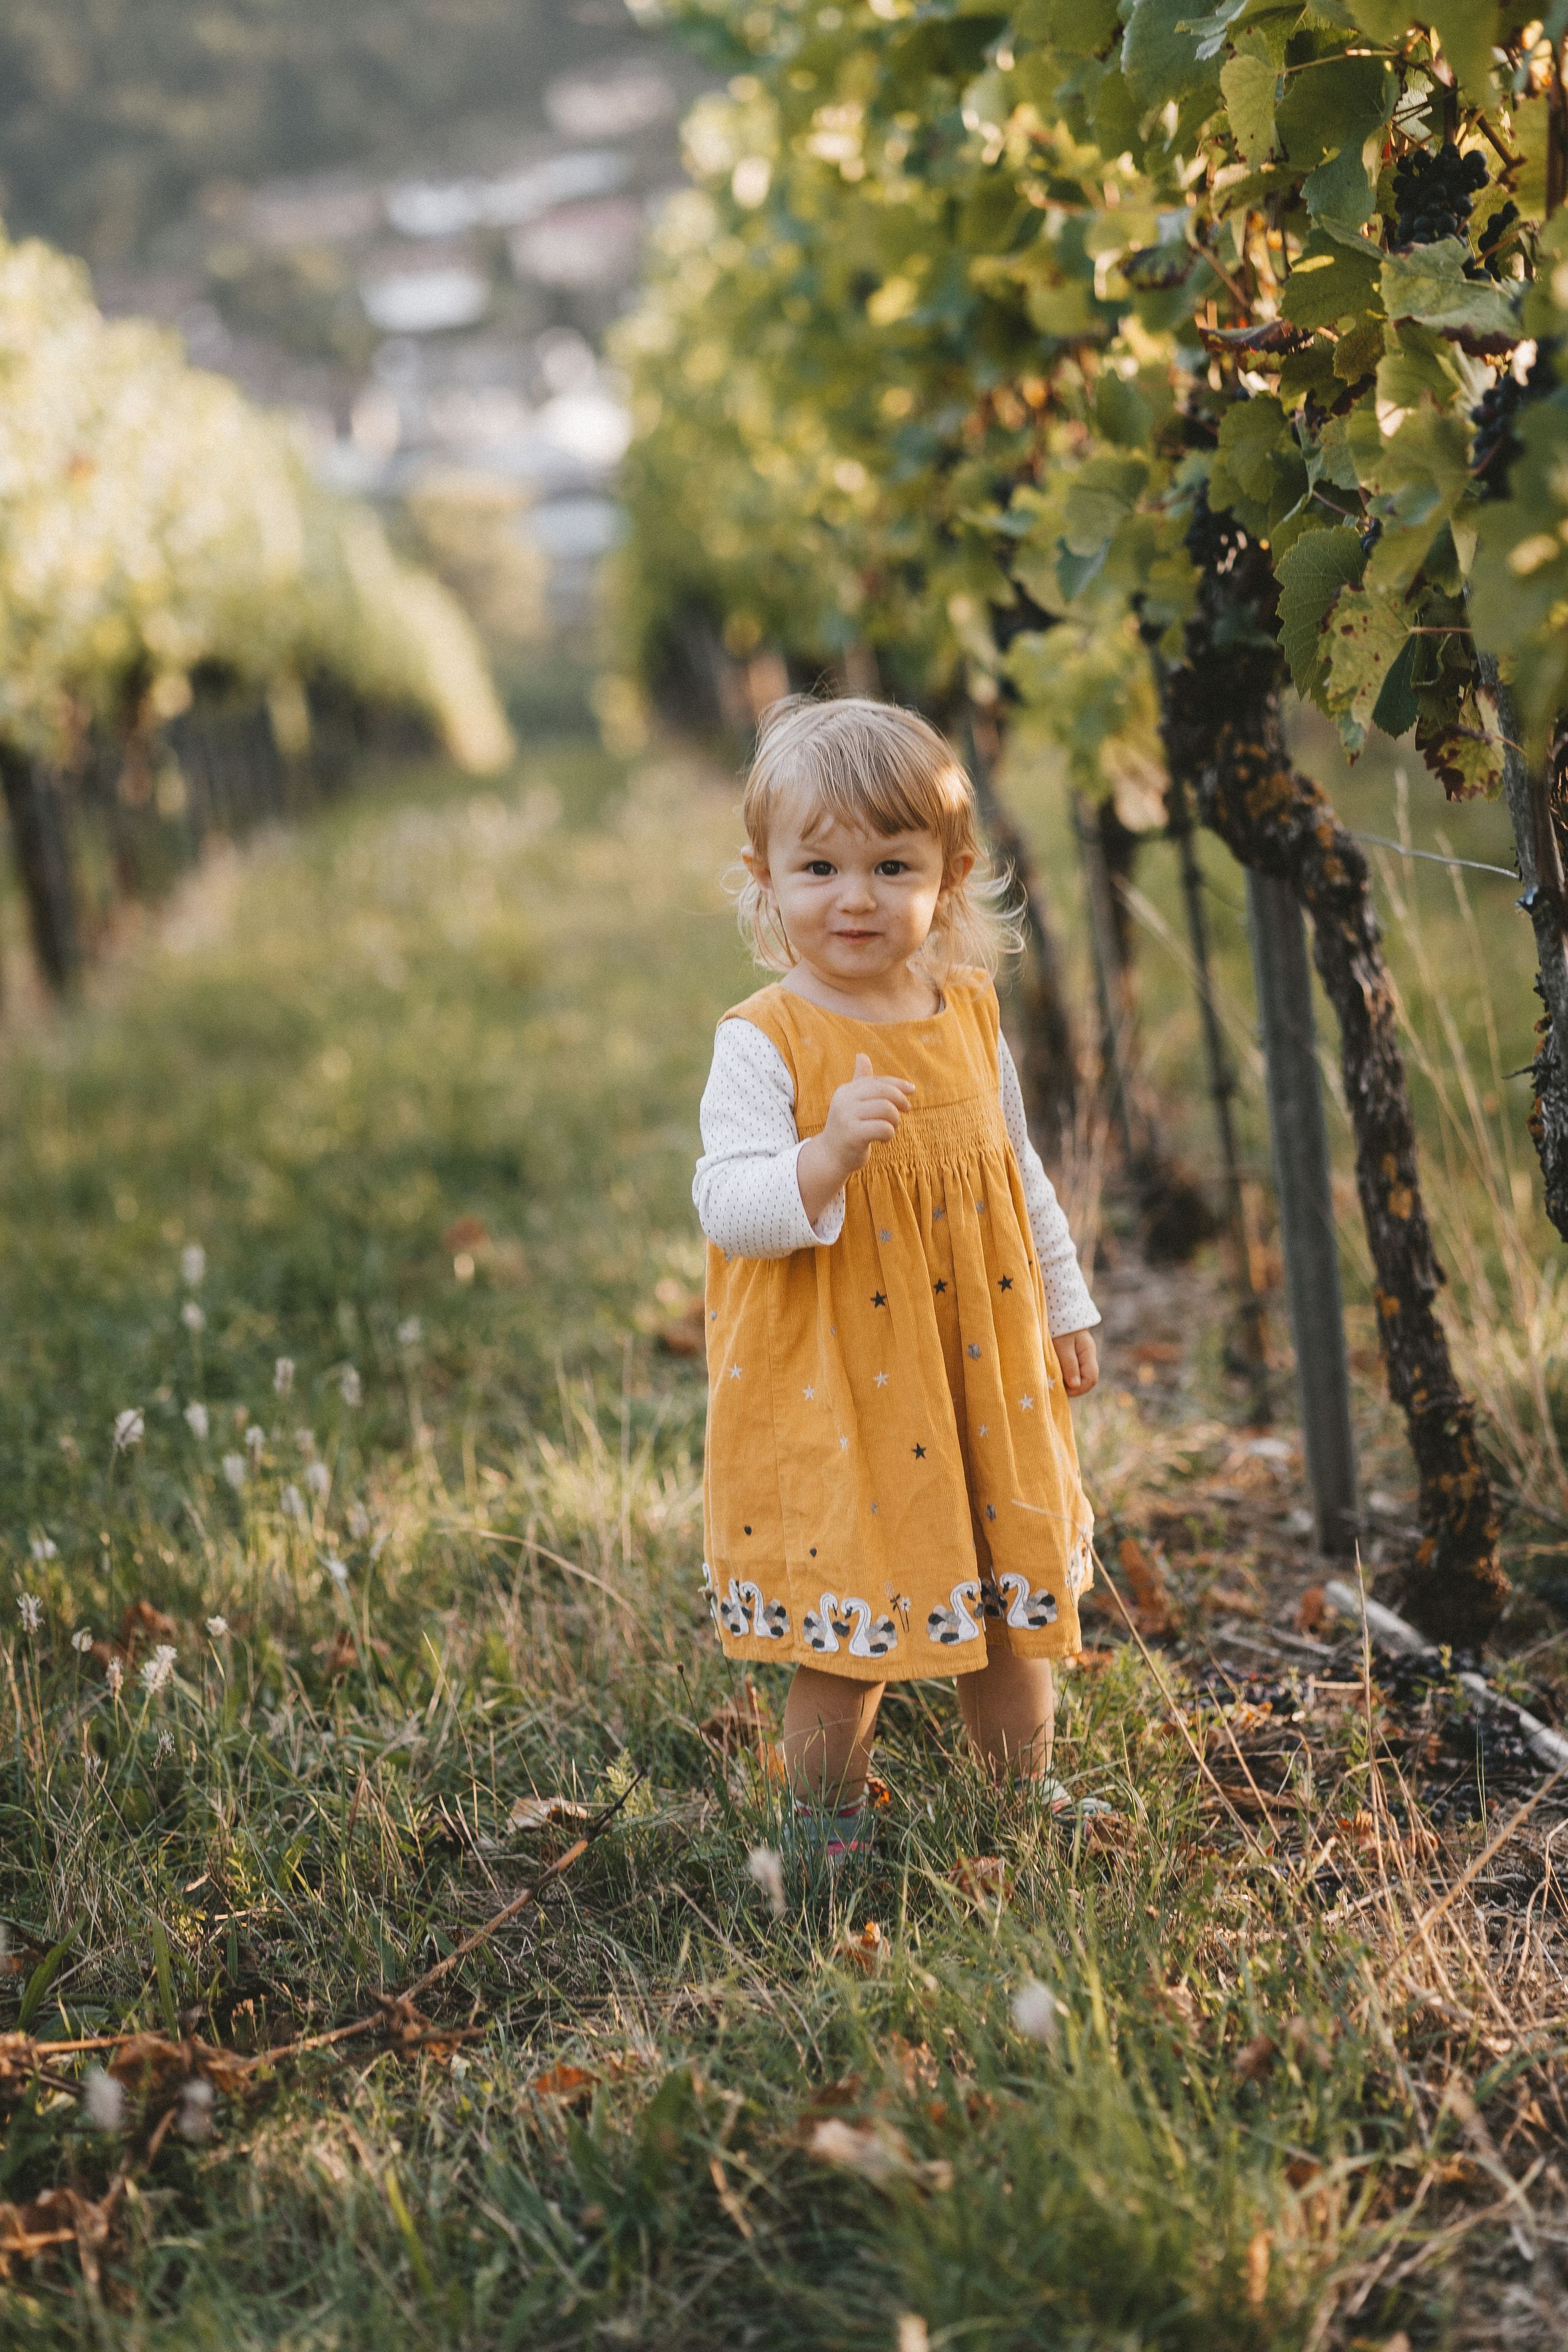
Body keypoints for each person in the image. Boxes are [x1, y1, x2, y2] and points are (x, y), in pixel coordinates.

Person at [693, 695, 1102, 1861]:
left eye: (891, 863)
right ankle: (825, 1820)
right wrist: (819, 1160)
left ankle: (1017, 1799)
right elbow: (729, 1201)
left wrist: (1066, 1304)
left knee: (1010, 1596)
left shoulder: (967, 1014)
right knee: (847, 1621)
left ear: (951, 872)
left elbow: (1018, 1172)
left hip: (982, 1365)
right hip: (844, 1379)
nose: (856, 896)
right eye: (819, 865)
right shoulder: (766, 1038)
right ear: (765, 877)